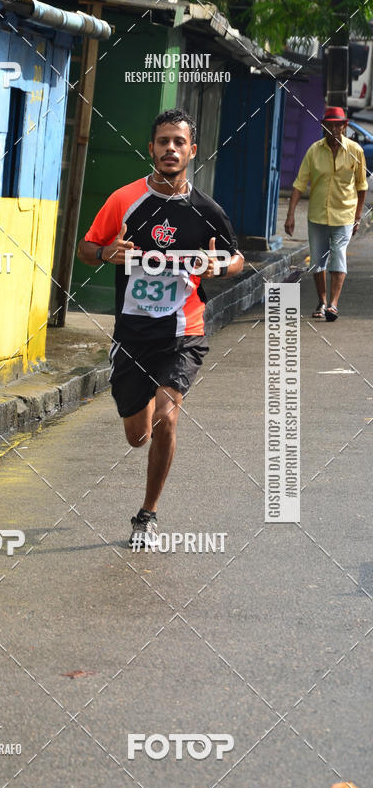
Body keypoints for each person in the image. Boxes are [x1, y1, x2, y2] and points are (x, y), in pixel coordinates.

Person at [77, 108, 244, 548]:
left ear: (192, 150)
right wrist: (105, 253)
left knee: (169, 417)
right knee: (138, 436)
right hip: (133, 335)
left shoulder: (207, 210)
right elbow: (86, 247)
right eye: (163, 141)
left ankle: (147, 515)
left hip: (183, 331)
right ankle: (145, 411)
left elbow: (237, 258)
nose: (171, 149)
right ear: (151, 148)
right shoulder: (124, 200)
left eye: (179, 142)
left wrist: (218, 264)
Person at [285, 106, 367, 322]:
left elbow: (362, 186)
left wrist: (358, 217)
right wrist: (290, 214)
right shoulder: (313, 151)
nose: (334, 129)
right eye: (330, 125)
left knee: (338, 255)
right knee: (318, 261)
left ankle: (333, 304)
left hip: (345, 215)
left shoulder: (356, 151)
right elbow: (299, 183)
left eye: (338, 125)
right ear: (324, 126)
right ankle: (321, 301)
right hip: (318, 215)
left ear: (345, 126)